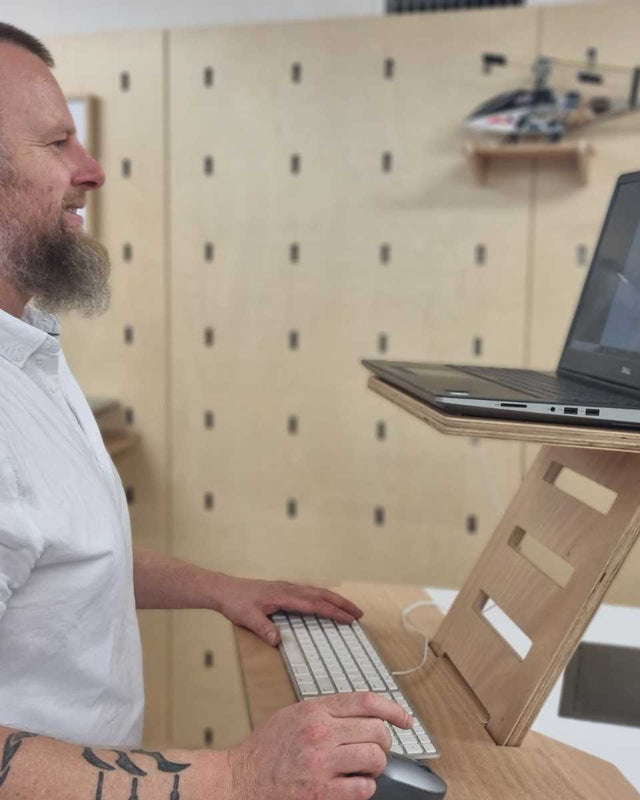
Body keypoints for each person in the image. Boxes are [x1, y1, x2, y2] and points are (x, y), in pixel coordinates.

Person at [0, 22, 409, 800]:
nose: (91, 171)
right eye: (57, 144)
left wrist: (221, 587)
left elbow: (56, 553)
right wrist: (237, 774)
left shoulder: (29, 348)